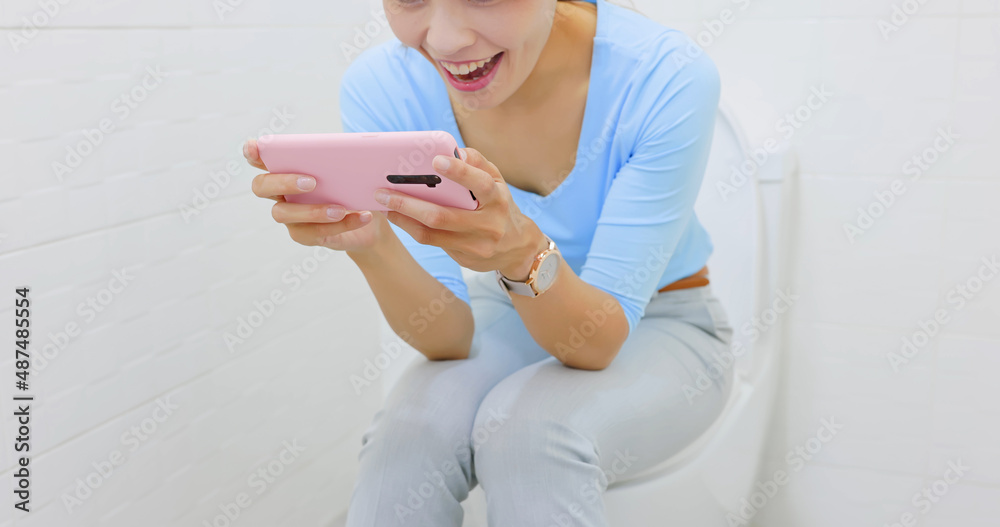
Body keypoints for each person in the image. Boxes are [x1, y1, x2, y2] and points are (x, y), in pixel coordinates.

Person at [243, 0, 733, 524]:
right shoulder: (384, 87)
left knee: (533, 436)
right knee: (408, 436)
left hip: (665, 323)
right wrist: (373, 245)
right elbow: (448, 339)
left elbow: (596, 340)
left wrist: (521, 250)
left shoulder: (664, 76)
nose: (446, 39)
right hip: (508, 307)